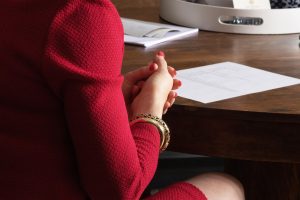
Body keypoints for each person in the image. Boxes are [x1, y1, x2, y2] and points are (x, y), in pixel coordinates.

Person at [0, 0, 244, 199]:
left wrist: (106, 101)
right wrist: (150, 110)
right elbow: (122, 191)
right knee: (225, 187)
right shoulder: (81, 14)